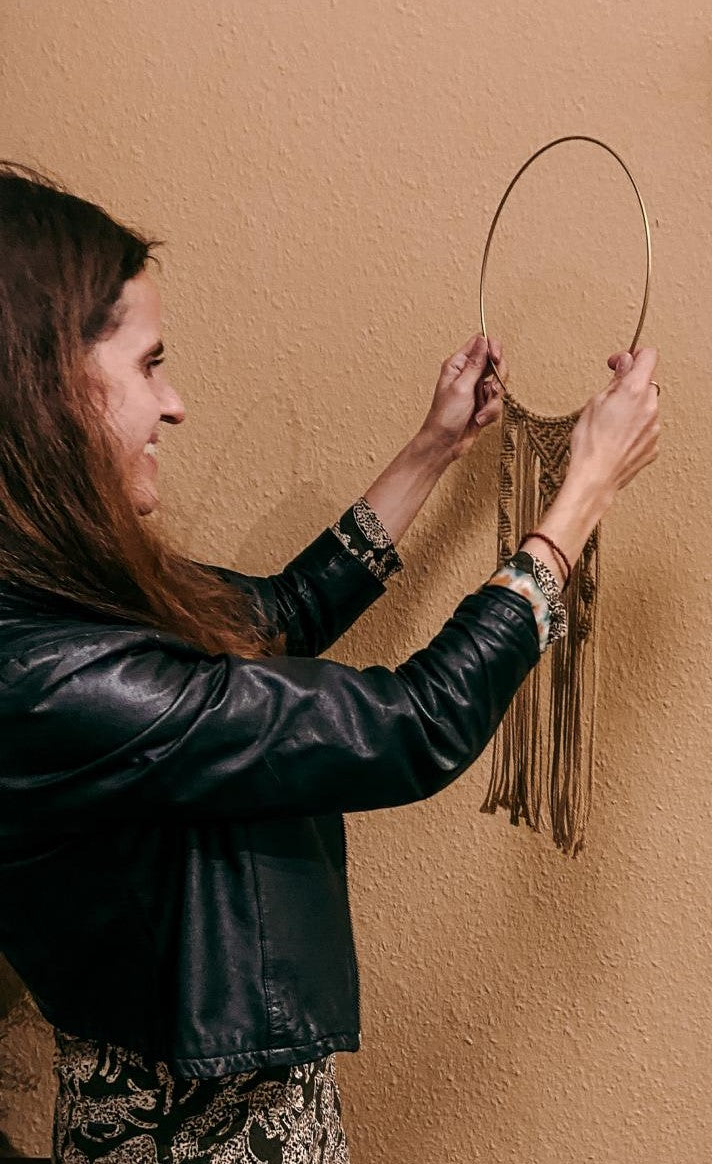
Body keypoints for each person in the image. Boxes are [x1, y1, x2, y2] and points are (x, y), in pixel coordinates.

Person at [0, 162, 659, 1161]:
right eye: (148, 365)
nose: (175, 404)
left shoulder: (57, 596)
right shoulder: (48, 673)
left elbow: (271, 617)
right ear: (46, 390)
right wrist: (581, 497)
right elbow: (409, 728)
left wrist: (431, 449)